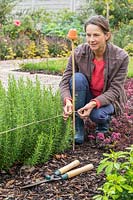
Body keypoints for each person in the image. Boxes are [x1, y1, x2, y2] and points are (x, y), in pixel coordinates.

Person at [59, 15, 129, 146]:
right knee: (77, 79)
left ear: (107, 35)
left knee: (97, 115)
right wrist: (67, 100)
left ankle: (103, 125)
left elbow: (115, 90)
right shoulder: (78, 52)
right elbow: (64, 81)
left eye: (96, 35)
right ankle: (78, 129)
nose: (91, 40)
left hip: (109, 99)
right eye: (88, 35)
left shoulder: (121, 57)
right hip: (87, 94)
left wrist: (93, 104)